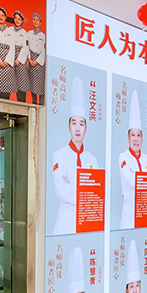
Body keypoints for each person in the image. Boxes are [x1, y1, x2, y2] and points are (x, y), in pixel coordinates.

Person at [51, 76, 99, 235]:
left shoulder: (92, 159)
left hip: (87, 223)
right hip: (65, 225)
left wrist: (72, 185)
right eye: (74, 123)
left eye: (81, 124)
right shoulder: (59, 155)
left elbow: (95, 194)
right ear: (68, 126)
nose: (78, 128)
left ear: (86, 128)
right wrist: (84, 191)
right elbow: (61, 191)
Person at [118, 90, 147, 229]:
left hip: (145, 213)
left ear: (142, 138)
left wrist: (140, 178)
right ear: (128, 137)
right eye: (133, 135)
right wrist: (145, 179)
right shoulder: (123, 157)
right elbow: (132, 181)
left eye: (138, 135)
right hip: (129, 216)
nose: (135, 139)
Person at [0, 7, 17, 100]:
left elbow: (12, 47)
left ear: (5, 17)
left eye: (3, 15)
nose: (1, 17)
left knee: (6, 94)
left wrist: (7, 61)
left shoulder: (10, 31)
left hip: (7, 64)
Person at [27, 13, 46, 106]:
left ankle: (41, 104)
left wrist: (37, 61)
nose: (35, 22)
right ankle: (34, 103)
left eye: (37, 20)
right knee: (32, 84)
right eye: (34, 20)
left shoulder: (43, 36)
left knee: (40, 86)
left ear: (40, 22)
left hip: (39, 62)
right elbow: (26, 46)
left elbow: (44, 50)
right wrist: (29, 59)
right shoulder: (29, 33)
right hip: (31, 60)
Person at [12, 11, 31, 102]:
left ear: (22, 21)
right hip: (10, 58)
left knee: (21, 85)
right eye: (15, 18)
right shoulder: (9, 30)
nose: (17, 20)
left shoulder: (25, 33)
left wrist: (18, 60)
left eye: (19, 19)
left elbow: (25, 48)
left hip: (20, 61)